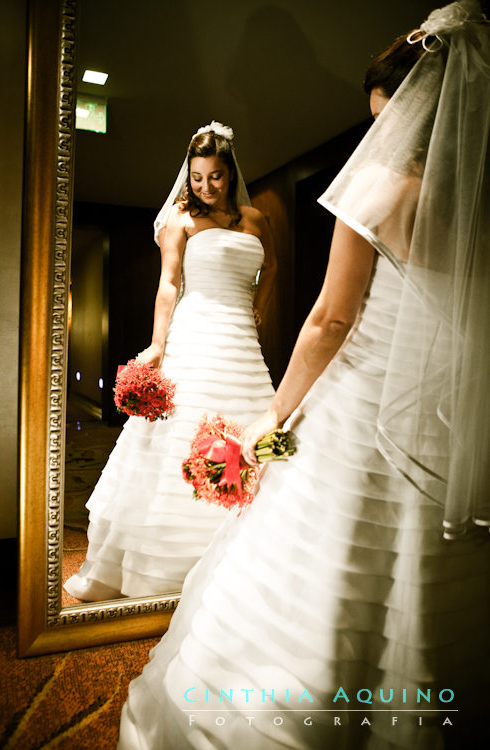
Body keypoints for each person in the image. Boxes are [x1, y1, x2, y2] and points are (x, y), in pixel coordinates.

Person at [118, 2, 490, 748]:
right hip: (449, 413)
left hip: (359, 407)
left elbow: (328, 319)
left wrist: (273, 417)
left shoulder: (382, 186)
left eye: (388, 116)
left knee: (313, 574)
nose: (385, 130)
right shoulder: (478, 196)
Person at [64, 122, 276, 601]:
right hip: (196, 329)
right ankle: (170, 563)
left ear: (230, 173)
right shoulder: (179, 221)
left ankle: (240, 554)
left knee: (249, 429)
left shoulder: (255, 219)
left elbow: (273, 266)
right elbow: (168, 284)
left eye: (215, 177)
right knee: (183, 433)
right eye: (197, 177)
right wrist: (158, 345)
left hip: (241, 335)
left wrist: (259, 300)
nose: (205, 187)